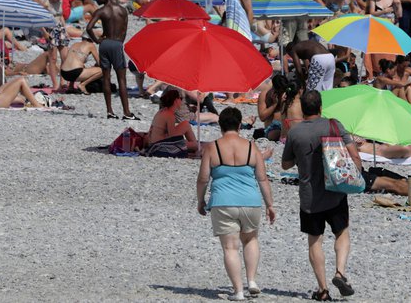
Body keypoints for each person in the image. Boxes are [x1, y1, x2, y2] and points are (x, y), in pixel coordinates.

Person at [282, 90, 361, 301]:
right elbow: (353, 154)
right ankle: (340, 272)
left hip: (309, 197)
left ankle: (323, 290)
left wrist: (302, 156)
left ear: (303, 109)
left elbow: (285, 164)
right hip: (335, 191)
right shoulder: (334, 125)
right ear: (320, 107)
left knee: (314, 241)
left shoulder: (295, 133)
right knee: (342, 232)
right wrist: (358, 175)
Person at [196, 107, 275, 301]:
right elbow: (263, 179)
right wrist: (270, 205)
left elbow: (203, 178)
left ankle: (238, 291)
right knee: (251, 240)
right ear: (240, 125)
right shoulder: (251, 147)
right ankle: (252, 281)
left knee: (230, 248)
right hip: (250, 201)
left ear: (220, 126)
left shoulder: (212, 148)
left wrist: (200, 200)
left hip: (223, 202)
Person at [86, 0, 138, 120]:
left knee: (106, 78)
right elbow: (124, 30)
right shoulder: (122, 10)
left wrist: (97, 40)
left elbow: (89, 27)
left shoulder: (101, 11)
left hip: (105, 44)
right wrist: (119, 42)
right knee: (122, 79)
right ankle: (127, 112)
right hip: (117, 44)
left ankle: (110, 111)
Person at [148, 89, 198, 155]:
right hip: (161, 145)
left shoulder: (162, 111)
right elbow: (172, 138)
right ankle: (196, 146)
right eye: (181, 98)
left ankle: (194, 144)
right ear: (175, 101)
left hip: (154, 142)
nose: (182, 101)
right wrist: (183, 142)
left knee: (185, 124)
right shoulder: (170, 115)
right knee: (195, 145)